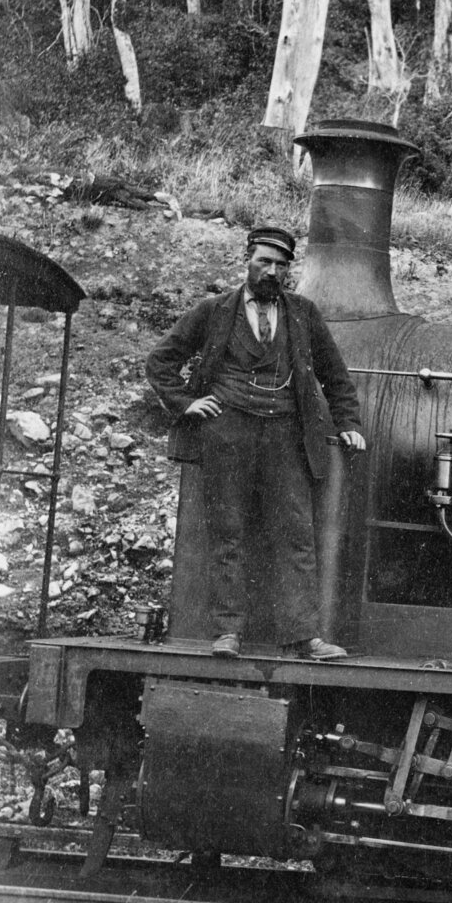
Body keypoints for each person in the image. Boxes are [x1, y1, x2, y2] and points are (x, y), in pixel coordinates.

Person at [146, 226, 366, 660]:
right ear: (247, 260)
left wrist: (348, 422)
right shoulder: (214, 311)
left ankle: (304, 638)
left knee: (296, 535)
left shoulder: (303, 312)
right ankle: (228, 633)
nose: (272, 271)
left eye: (281, 265)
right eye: (264, 261)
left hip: (286, 435)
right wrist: (186, 403)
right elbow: (160, 360)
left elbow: (334, 374)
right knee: (229, 532)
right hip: (227, 434)